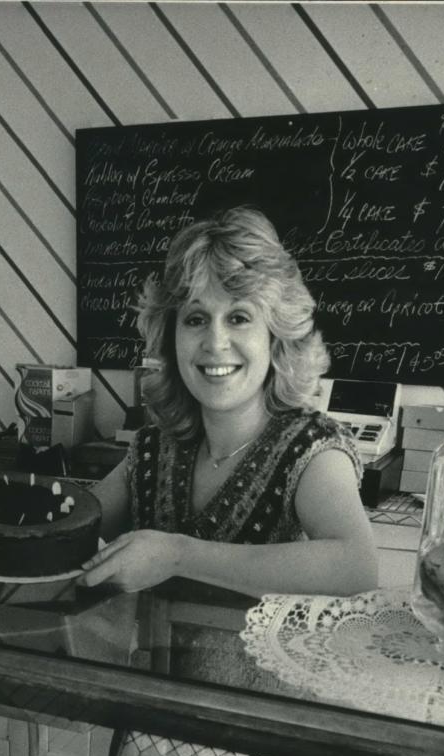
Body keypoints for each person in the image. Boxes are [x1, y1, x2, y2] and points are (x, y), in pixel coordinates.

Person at [78, 207, 378, 596]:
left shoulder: (312, 447)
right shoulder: (153, 448)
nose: (215, 343)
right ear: (171, 338)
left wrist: (177, 555)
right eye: (196, 319)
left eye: (238, 318)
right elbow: (73, 528)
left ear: (276, 336)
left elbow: (356, 570)